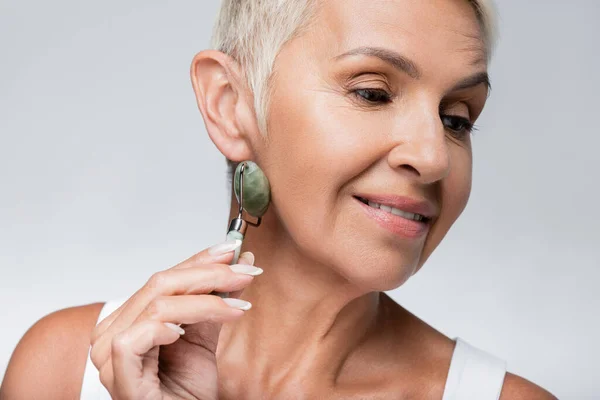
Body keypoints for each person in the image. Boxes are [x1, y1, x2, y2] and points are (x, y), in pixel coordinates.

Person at [1, 0, 558, 398]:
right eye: (372, 92)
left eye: (456, 118)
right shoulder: (61, 371)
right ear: (230, 105)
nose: (434, 155)